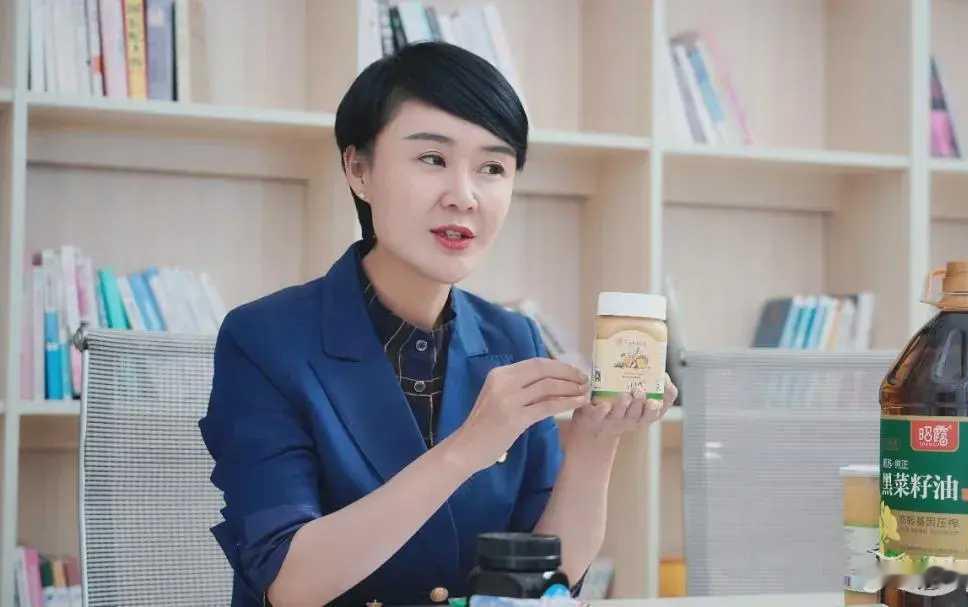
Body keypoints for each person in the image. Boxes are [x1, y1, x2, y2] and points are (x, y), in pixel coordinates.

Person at [199, 41, 677, 606]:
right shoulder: (264, 339)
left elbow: (545, 579)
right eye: (432, 159)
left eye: (492, 168)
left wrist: (596, 442)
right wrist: (468, 446)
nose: (464, 196)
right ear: (358, 170)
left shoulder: (512, 339)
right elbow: (288, 583)